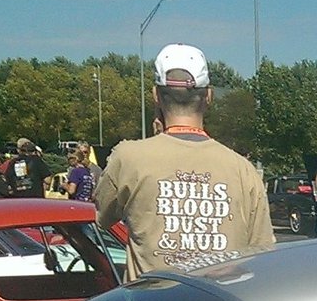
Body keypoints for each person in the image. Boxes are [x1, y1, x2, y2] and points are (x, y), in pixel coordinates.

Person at [95, 42, 272, 276]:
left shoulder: (128, 159)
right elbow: (263, 254)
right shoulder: (243, 170)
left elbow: (101, 218)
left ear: (155, 95)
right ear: (209, 96)